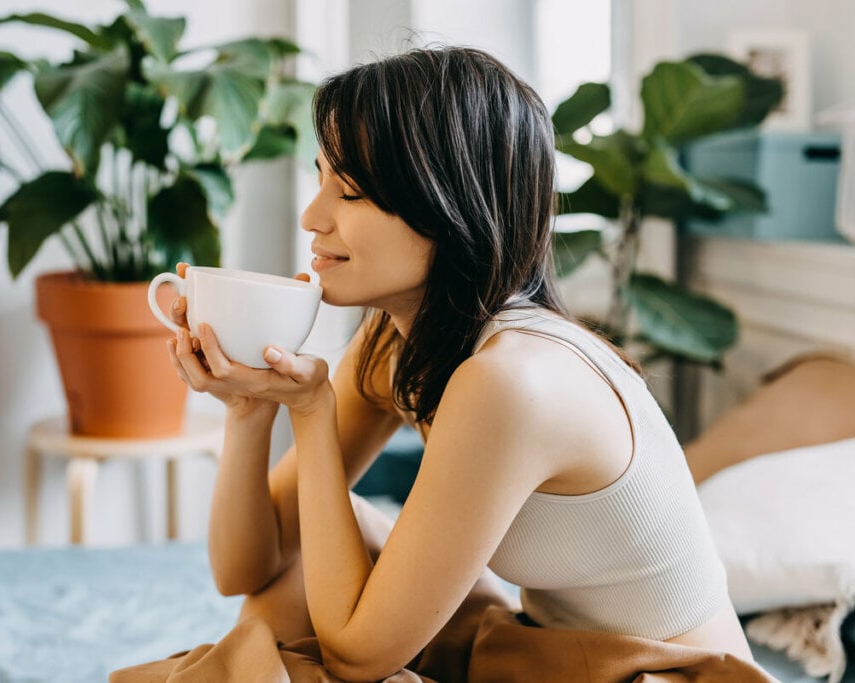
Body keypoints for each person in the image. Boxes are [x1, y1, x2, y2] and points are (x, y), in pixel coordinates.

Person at [125, 46, 774, 682]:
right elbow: (246, 569)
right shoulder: (399, 339)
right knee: (293, 581)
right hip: (554, 649)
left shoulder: (511, 379)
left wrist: (312, 411)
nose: (312, 216)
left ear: (447, 204)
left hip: (661, 673)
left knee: (270, 660)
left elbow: (358, 656)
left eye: (348, 190)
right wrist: (249, 411)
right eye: (321, 177)